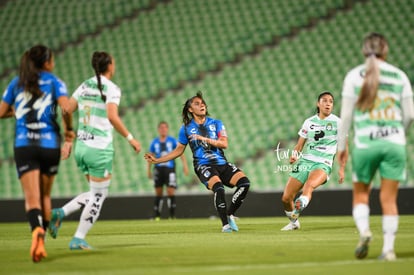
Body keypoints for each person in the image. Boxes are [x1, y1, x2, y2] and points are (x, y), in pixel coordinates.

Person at [48, 51, 141, 250]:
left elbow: (65, 109)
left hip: (81, 147)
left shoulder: (84, 85)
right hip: (99, 149)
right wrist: (131, 138)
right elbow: (112, 117)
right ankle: (78, 238)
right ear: (109, 66)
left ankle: (60, 213)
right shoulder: (112, 88)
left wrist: (69, 136)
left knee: (94, 193)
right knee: (99, 196)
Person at [337, 32, 414, 261]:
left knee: (361, 195)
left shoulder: (354, 76)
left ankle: (365, 232)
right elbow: (410, 115)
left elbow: (346, 116)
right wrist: (399, 133)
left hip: (365, 143)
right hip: (394, 144)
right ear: (386, 50)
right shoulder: (400, 76)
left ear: (364, 51)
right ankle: (388, 250)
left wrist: (342, 147)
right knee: (389, 200)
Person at [0, 45, 74, 262]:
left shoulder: (17, 82)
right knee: (45, 196)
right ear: (47, 62)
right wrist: (69, 131)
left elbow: (1, 111)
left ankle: (36, 232)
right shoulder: (55, 81)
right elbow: (66, 108)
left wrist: (18, 112)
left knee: (32, 200)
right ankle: (43, 235)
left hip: (25, 145)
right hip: (49, 144)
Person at [144, 92, 250, 232]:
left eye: (203, 103)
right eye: (197, 104)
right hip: (203, 165)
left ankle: (229, 214)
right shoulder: (186, 128)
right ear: (190, 109)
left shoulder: (216, 123)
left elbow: (224, 144)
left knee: (245, 183)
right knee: (218, 188)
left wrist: (204, 139)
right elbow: (178, 151)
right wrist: (158, 160)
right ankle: (225, 225)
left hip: (221, 163)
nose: (202, 105)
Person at [280, 91, 345, 231]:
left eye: (331, 101)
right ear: (318, 104)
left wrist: (341, 168)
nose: (328, 103)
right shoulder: (309, 122)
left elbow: (343, 147)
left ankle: (302, 202)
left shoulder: (338, 123)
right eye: (325, 100)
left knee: (309, 185)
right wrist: (294, 155)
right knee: (286, 198)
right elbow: (299, 145)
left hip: (323, 163)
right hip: (305, 162)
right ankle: (294, 222)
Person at [147, 121, 189, 220]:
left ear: (167, 129)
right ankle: (157, 215)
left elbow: (180, 153)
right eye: (161, 128)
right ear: (158, 129)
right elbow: (150, 156)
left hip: (169, 169)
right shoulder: (154, 142)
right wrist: (148, 170)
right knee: (158, 192)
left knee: (170, 191)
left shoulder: (173, 141)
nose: (163, 129)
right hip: (158, 169)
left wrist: (185, 166)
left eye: (165, 127)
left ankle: (172, 215)